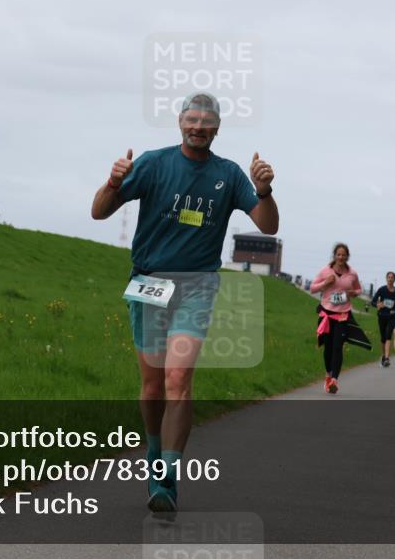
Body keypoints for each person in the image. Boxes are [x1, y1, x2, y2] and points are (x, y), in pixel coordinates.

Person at [91, 92, 279, 515]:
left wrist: (264, 191)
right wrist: (114, 182)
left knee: (178, 378)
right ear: (180, 122)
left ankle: (167, 477)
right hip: (149, 282)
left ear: (217, 128)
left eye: (206, 121)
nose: (198, 127)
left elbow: (268, 226)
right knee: (152, 385)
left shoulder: (228, 174)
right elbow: (99, 212)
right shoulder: (154, 164)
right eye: (191, 119)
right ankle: (153, 451)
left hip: (197, 286)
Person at [310, 243, 370, 393]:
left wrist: (353, 293)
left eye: (344, 255)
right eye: (339, 254)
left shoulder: (352, 274)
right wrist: (325, 283)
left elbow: (358, 289)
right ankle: (328, 375)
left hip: (343, 315)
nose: (341, 257)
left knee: (338, 347)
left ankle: (334, 380)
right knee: (328, 348)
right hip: (327, 314)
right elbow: (312, 288)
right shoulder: (325, 271)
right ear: (334, 255)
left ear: (347, 256)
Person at [371, 271, 395, 367]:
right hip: (382, 315)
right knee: (383, 338)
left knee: (388, 335)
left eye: (392, 277)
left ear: (394, 279)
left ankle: (387, 358)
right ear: (386, 279)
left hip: (392, 316)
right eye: (388, 277)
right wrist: (378, 305)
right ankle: (383, 355)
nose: (390, 279)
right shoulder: (382, 289)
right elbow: (373, 301)